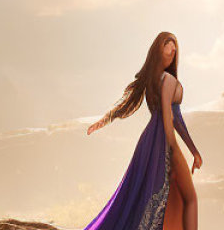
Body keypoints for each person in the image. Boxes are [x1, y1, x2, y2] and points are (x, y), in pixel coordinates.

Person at [83, 31, 202, 230]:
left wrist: (194, 151)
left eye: (174, 51)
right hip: (162, 142)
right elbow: (167, 117)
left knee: (151, 196)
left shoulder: (152, 78)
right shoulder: (168, 80)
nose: (172, 52)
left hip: (150, 142)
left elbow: (176, 118)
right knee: (189, 199)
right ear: (159, 50)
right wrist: (171, 150)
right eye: (168, 48)